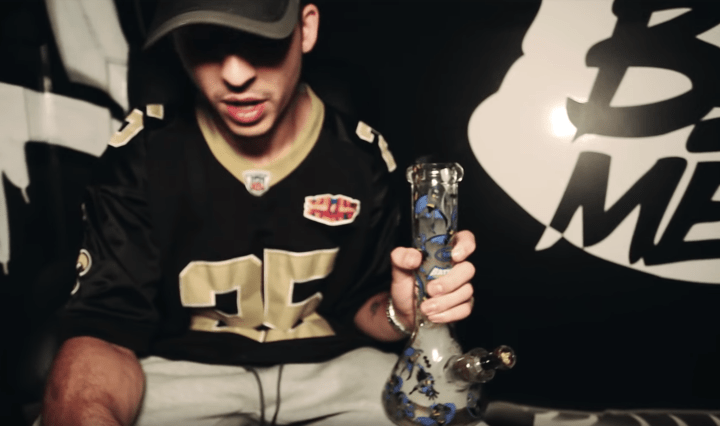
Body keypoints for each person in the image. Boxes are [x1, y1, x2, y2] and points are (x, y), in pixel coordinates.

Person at [38, 1, 476, 425]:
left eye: (259, 41)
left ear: (305, 29)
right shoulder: (143, 154)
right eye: (204, 42)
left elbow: (367, 308)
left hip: (334, 370)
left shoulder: (360, 156)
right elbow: (105, 330)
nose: (235, 75)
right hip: (183, 371)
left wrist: (404, 311)